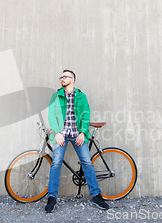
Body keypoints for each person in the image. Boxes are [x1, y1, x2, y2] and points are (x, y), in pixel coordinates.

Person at [45, 69, 109, 213]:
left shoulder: (81, 97)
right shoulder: (56, 96)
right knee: (55, 163)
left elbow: (86, 116)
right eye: (61, 77)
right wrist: (56, 133)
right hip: (61, 135)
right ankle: (51, 197)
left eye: (65, 77)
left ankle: (96, 195)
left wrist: (82, 133)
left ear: (72, 79)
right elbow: (51, 115)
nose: (62, 79)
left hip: (77, 135)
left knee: (87, 163)